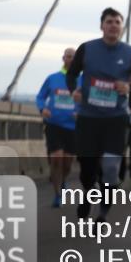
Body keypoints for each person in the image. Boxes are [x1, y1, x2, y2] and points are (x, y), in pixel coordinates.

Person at [66, 8, 131, 222]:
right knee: (87, 168)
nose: (113, 25)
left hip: (115, 118)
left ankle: (103, 212)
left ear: (122, 28)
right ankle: (87, 195)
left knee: (111, 166)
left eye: (117, 22)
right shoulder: (86, 49)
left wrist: (130, 89)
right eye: (109, 21)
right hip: (88, 117)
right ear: (101, 25)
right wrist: (73, 90)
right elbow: (72, 73)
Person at [35, 47, 78, 207]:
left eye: (74, 57)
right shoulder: (53, 78)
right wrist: (42, 108)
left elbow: (88, 101)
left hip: (73, 128)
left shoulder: (82, 81)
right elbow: (40, 96)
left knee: (67, 163)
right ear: (63, 58)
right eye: (68, 56)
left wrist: (80, 112)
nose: (71, 60)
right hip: (54, 124)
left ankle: (64, 180)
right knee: (56, 159)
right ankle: (57, 194)